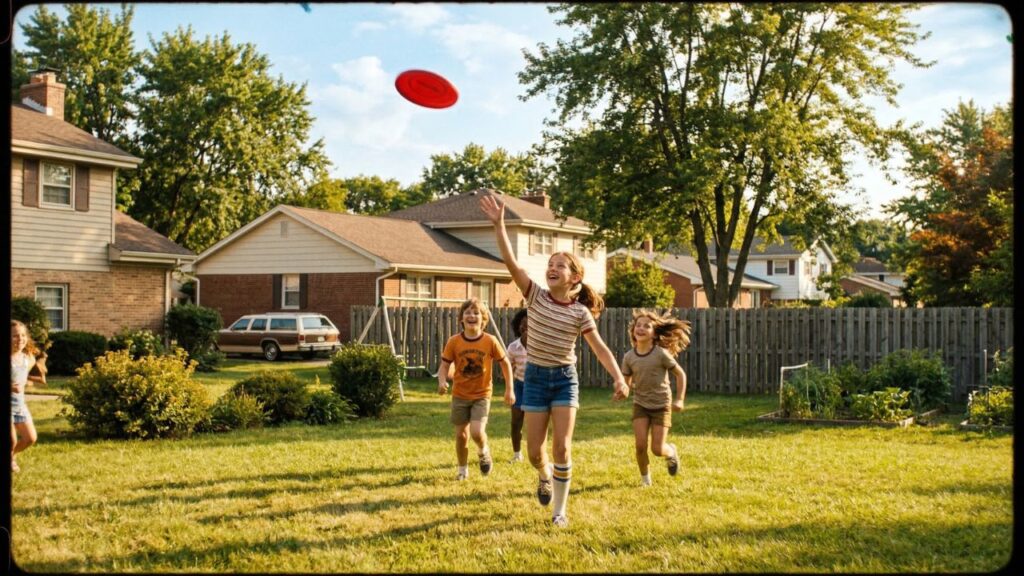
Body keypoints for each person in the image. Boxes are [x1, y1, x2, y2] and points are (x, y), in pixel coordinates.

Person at [480, 192, 629, 528]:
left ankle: (559, 511)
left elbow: (600, 348)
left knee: (561, 448)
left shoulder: (579, 313)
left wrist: (619, 377)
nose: (551, 268)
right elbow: (510, 262)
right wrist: (499, 224)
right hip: (533, 379)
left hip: (564, 379)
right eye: (549, 265)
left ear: (574, 277)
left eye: (559, 265)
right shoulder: (534, 296)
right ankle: (543, 475)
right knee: (535, 452)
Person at [437, 298, 514, 481]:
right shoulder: (454, 342)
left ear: (483, 319)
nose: (472, 315)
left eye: (476, 312)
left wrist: (509, 389)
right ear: (461, 319)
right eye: (468, 312)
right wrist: (441, 381)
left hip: (482, 394)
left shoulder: (490, 341)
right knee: (461, 435)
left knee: (477, 432)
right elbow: (444, 366)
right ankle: (462, 470)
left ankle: (483, 451)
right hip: (460, 395)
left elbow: (505, 364)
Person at [621, 309, 690, 486]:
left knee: (657, 449)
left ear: (654, 333)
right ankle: (646, 481)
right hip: (641, 404)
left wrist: (680, 399)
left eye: (647, 326)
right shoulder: (628, 357)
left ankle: (671, 452)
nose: (641, 328)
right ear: (633, 331)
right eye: (638, 325)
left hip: (661, 405)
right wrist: (622, 389)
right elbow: (626, 382)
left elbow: (680, 374)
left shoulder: (660, 354)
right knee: (640, 446)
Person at [11, 320, 43, 473]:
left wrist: (27, 382)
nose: (20, 339)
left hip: (19, 405)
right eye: (15, 336)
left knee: (30, 438)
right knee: (12, 440)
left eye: (23, 335)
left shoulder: (27, 358)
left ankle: (11, 456)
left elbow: (23, 375)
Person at [506, 309, 528, 463]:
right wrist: (510, 389)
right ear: (517, 327)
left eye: (529, 324)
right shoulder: (513, 347)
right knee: (516, 421)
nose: (525, 327)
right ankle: (517, 453)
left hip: (537, 387)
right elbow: (508, 368)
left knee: (535, 423)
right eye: (522, 324)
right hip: (519, 385)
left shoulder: (541, 345)